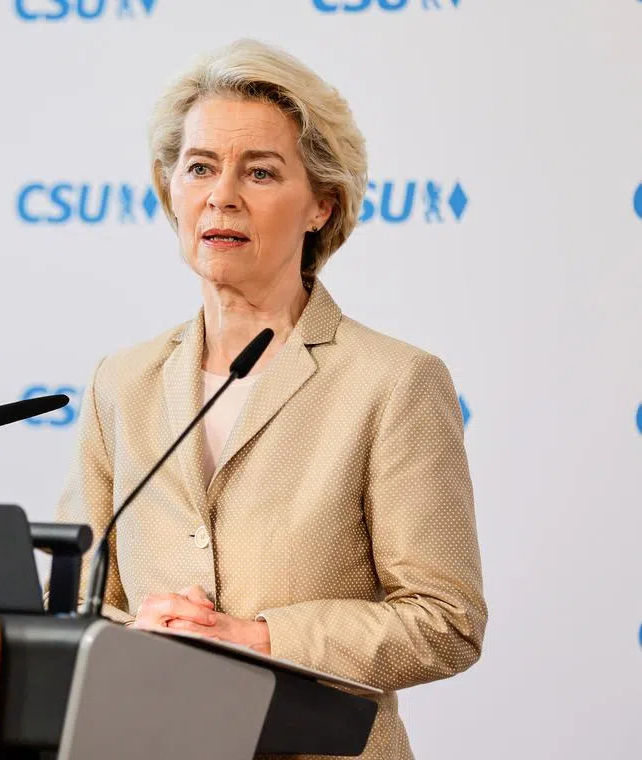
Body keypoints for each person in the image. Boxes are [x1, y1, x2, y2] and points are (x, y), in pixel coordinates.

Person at [54, 39, 486, 759]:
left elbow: (446, 619)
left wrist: (255, 637)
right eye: (199, 168)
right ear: (171, 191)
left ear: (321, 204)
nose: (221, 195)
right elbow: (74, 596)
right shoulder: (121, 382)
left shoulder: (394, 382)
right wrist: (138, 636)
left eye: (259, 171)